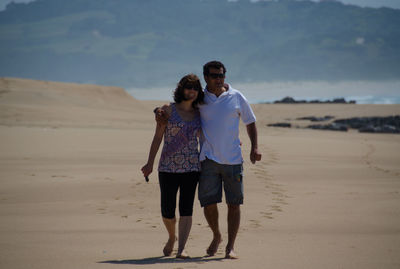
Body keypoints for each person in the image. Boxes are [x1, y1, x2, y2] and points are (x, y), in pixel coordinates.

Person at [156, 61, 262, 259]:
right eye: (214, 75)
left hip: (233, 159)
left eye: (221, 75)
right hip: (208, 160)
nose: (219, 79)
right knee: (208, 203)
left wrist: (254, 146)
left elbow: (250, 122)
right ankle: (217, 235)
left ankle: (230, 246)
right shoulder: (201, 98)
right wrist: (158, 111)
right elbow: (178, 107)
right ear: (206, 77)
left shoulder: (237, 96)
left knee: (234, 204)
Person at [141, 74, 204, 259]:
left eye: (195, 88)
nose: (191, 91)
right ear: (181, 89)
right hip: (167, 168)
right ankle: (171, 237)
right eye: (188, 87)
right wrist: (150, 162)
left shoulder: (199, 113)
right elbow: (158, 137)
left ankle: (182, 248)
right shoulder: (168, 110)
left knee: (186, 209)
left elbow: (209, 134)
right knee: (167, 211)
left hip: (192, 167)